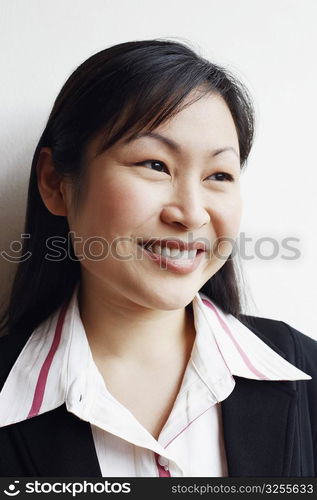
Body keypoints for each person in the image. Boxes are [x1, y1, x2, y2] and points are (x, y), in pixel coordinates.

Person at [0, 39, 316, 478]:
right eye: (155, 164)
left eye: (219, 175)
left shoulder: (305, 370)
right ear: (56, 183)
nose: (190, 213)